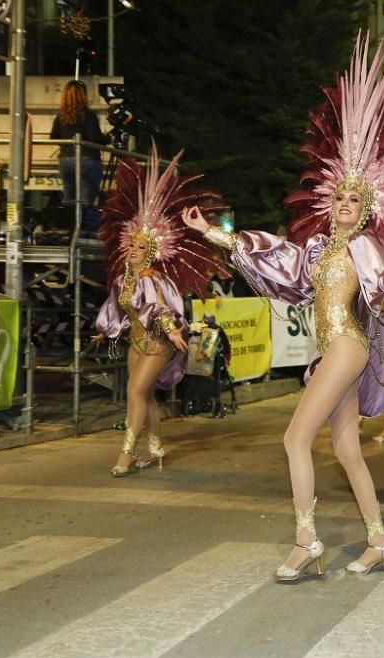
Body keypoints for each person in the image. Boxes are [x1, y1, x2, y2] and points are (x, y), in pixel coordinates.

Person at [185, 35, 384, 581]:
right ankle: (379, 540)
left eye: (354, 201)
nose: (343, 205)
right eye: (338, 197)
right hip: (331, 351)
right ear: (330, 202)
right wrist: (216, 237)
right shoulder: (318, 249)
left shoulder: (365, 247)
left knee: (295, 438)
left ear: (365, 213)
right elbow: (277, 258)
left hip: (347, 348)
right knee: (345, 449)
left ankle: (306, 541)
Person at [93, 146, 226, 476]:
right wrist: (104, 328)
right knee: (145, 395)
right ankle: (155, 448)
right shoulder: (125, 278)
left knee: (135, 392)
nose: (133, 251)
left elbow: (160, 307)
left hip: (158, 343)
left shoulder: (154, 278)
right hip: (136, 343)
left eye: (141, 247)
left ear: (151, 253)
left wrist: (171, 331)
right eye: (131, 245)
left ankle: (127, 452)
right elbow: (117, 307)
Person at [50, 80, 109, 233]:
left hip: (66, 160)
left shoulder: (61, 117)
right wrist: (108, 139)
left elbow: (54, 137)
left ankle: (69, 232)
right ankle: (82, 233)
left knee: (69, 199)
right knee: (85, 200)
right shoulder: (87, 115)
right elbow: (95, 137)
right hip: (87, 159)